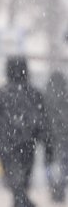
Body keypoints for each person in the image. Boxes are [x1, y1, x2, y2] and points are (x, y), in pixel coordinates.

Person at [0, 56, 51, 207]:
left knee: (15, 184)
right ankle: (23, 203)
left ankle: (22, 203)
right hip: (27, 146)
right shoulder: (34, 94)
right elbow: (42, 121)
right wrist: (45, 141)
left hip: (7, 148)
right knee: (21, 184)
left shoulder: (1, 94)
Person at [44, 71, 68, 203]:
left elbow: (43, 119)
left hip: (50, 139)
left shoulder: (46, 98)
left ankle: (54, 188)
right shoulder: (65, 97)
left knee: (49, 164)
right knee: (64, 165)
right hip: (64, 139)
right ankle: (60, 188)